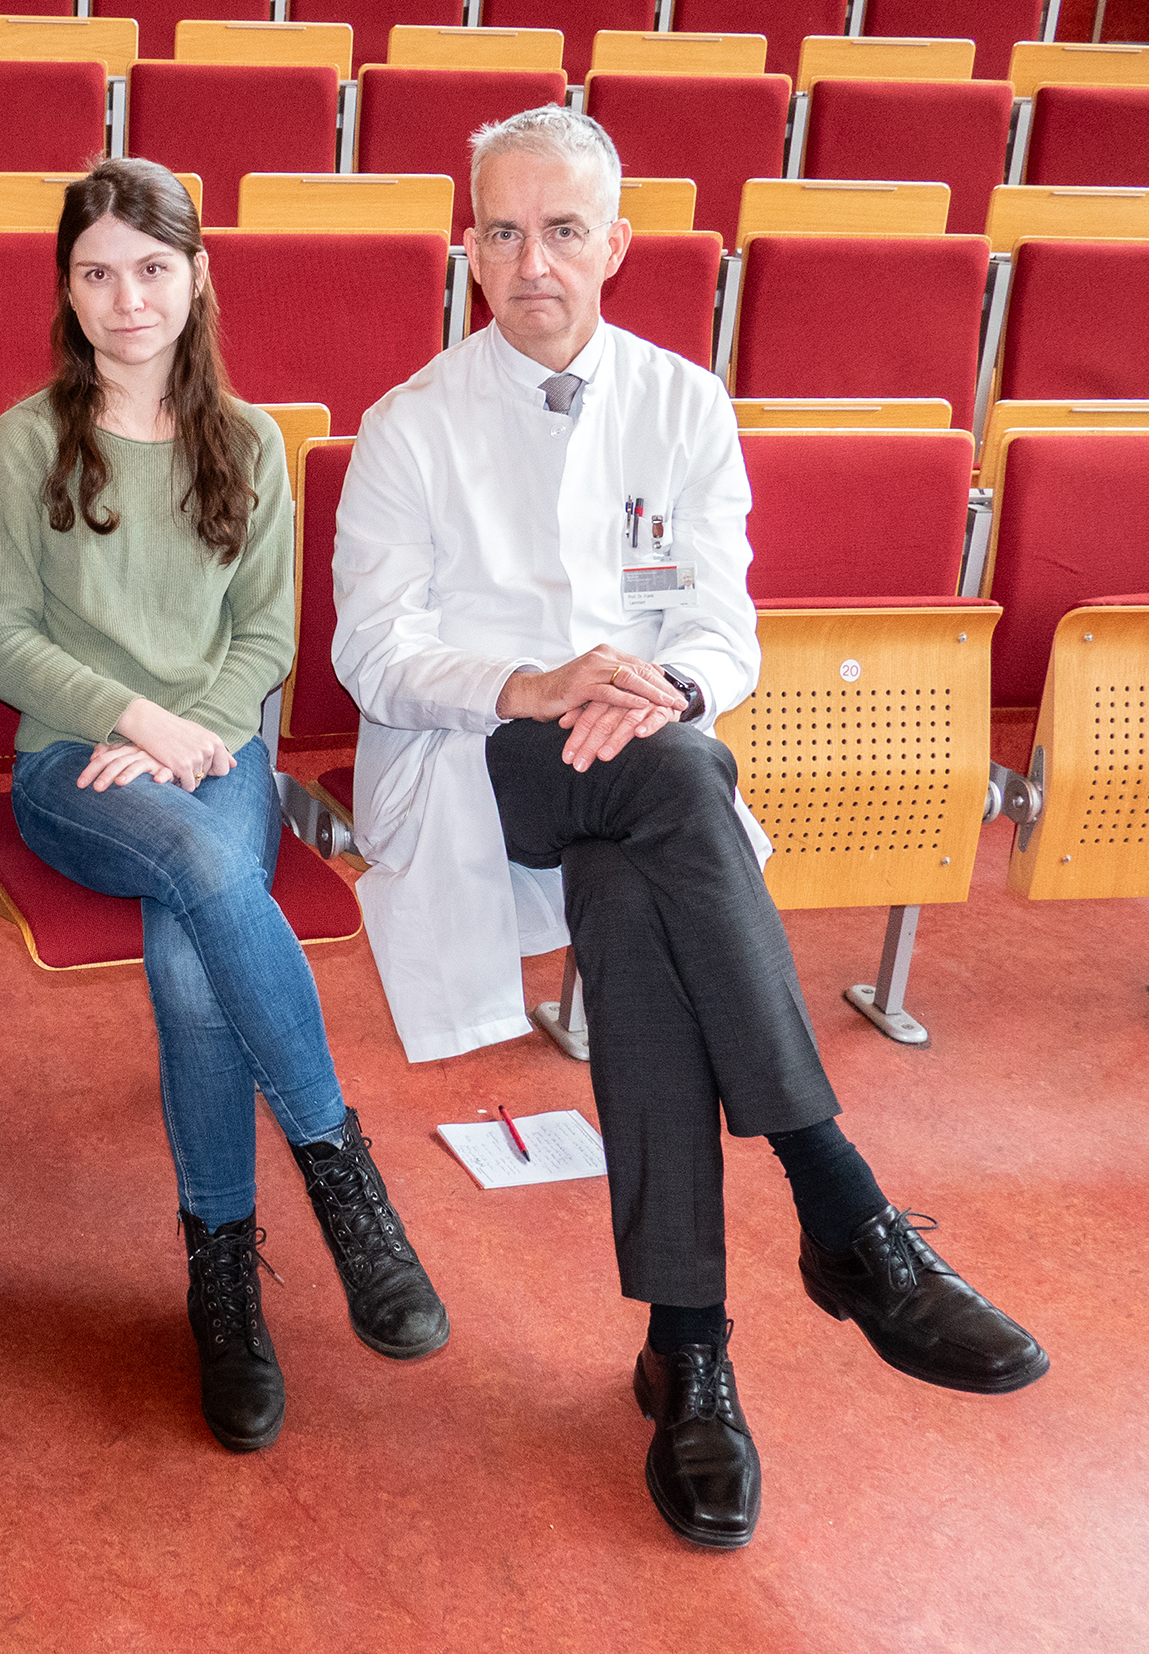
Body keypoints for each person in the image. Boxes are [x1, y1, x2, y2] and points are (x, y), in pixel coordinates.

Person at [333, 106, 1046, 1548]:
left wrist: (667, 684)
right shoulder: (413, 424)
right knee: (676, 789)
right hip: (487, 760)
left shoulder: (684, 403)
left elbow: (724, 617)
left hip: (642, 759)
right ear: (468, 245)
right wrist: (530, 683)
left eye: (563, 229)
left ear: (620, 243)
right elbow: (373, 650)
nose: (531, 262)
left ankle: (690, 1346)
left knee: (645, 864)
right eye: (501, 231)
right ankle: (841, 1203)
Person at [0, 158, 448, 1455]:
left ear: (197, 279)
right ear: (67, 291)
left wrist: (201, 734)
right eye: (98, 272)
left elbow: (264, 639)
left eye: (152, 268)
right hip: (77, 764)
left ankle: (223, 1281)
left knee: (193, 960)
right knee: (207, 870)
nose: (127, 297)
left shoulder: (249, 444)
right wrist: (135, 720)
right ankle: (342, 1174)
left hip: (219, 753)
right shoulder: (28, 441)